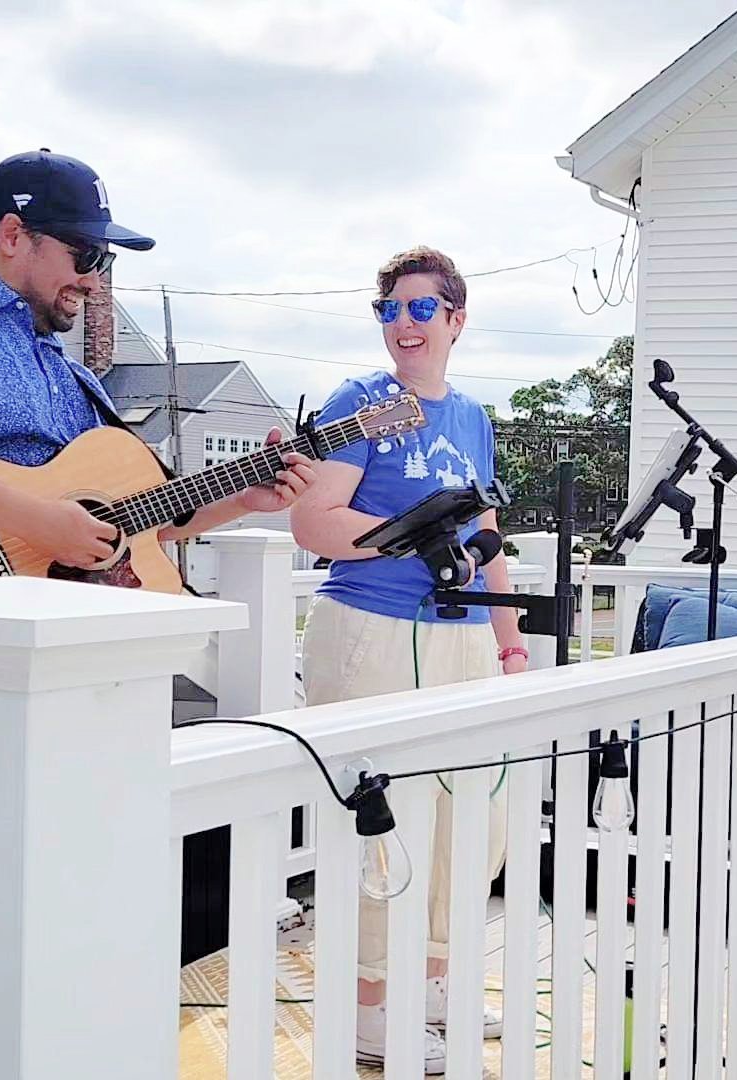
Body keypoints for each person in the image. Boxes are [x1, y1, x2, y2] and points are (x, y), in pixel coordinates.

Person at [0, 149, 315, 573]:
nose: (96, 282)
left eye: (106, 263)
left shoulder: (70, 374)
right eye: (86, 256)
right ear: (14, 235)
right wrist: (36, 521)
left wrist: (242, 499)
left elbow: (130, 523)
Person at [290, 246, 527, 1074]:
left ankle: (426, 985)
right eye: (389, 309)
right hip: (372, 631)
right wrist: (406, 544)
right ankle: (365, 1008)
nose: (403, 324)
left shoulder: (472, 418)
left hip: (462, 635)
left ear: (457, 320)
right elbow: (314, 523)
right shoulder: (363, 403)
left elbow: (487, 531)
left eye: (421, 309)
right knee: (381, 825)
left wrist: (509, 640)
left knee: (471, 820)